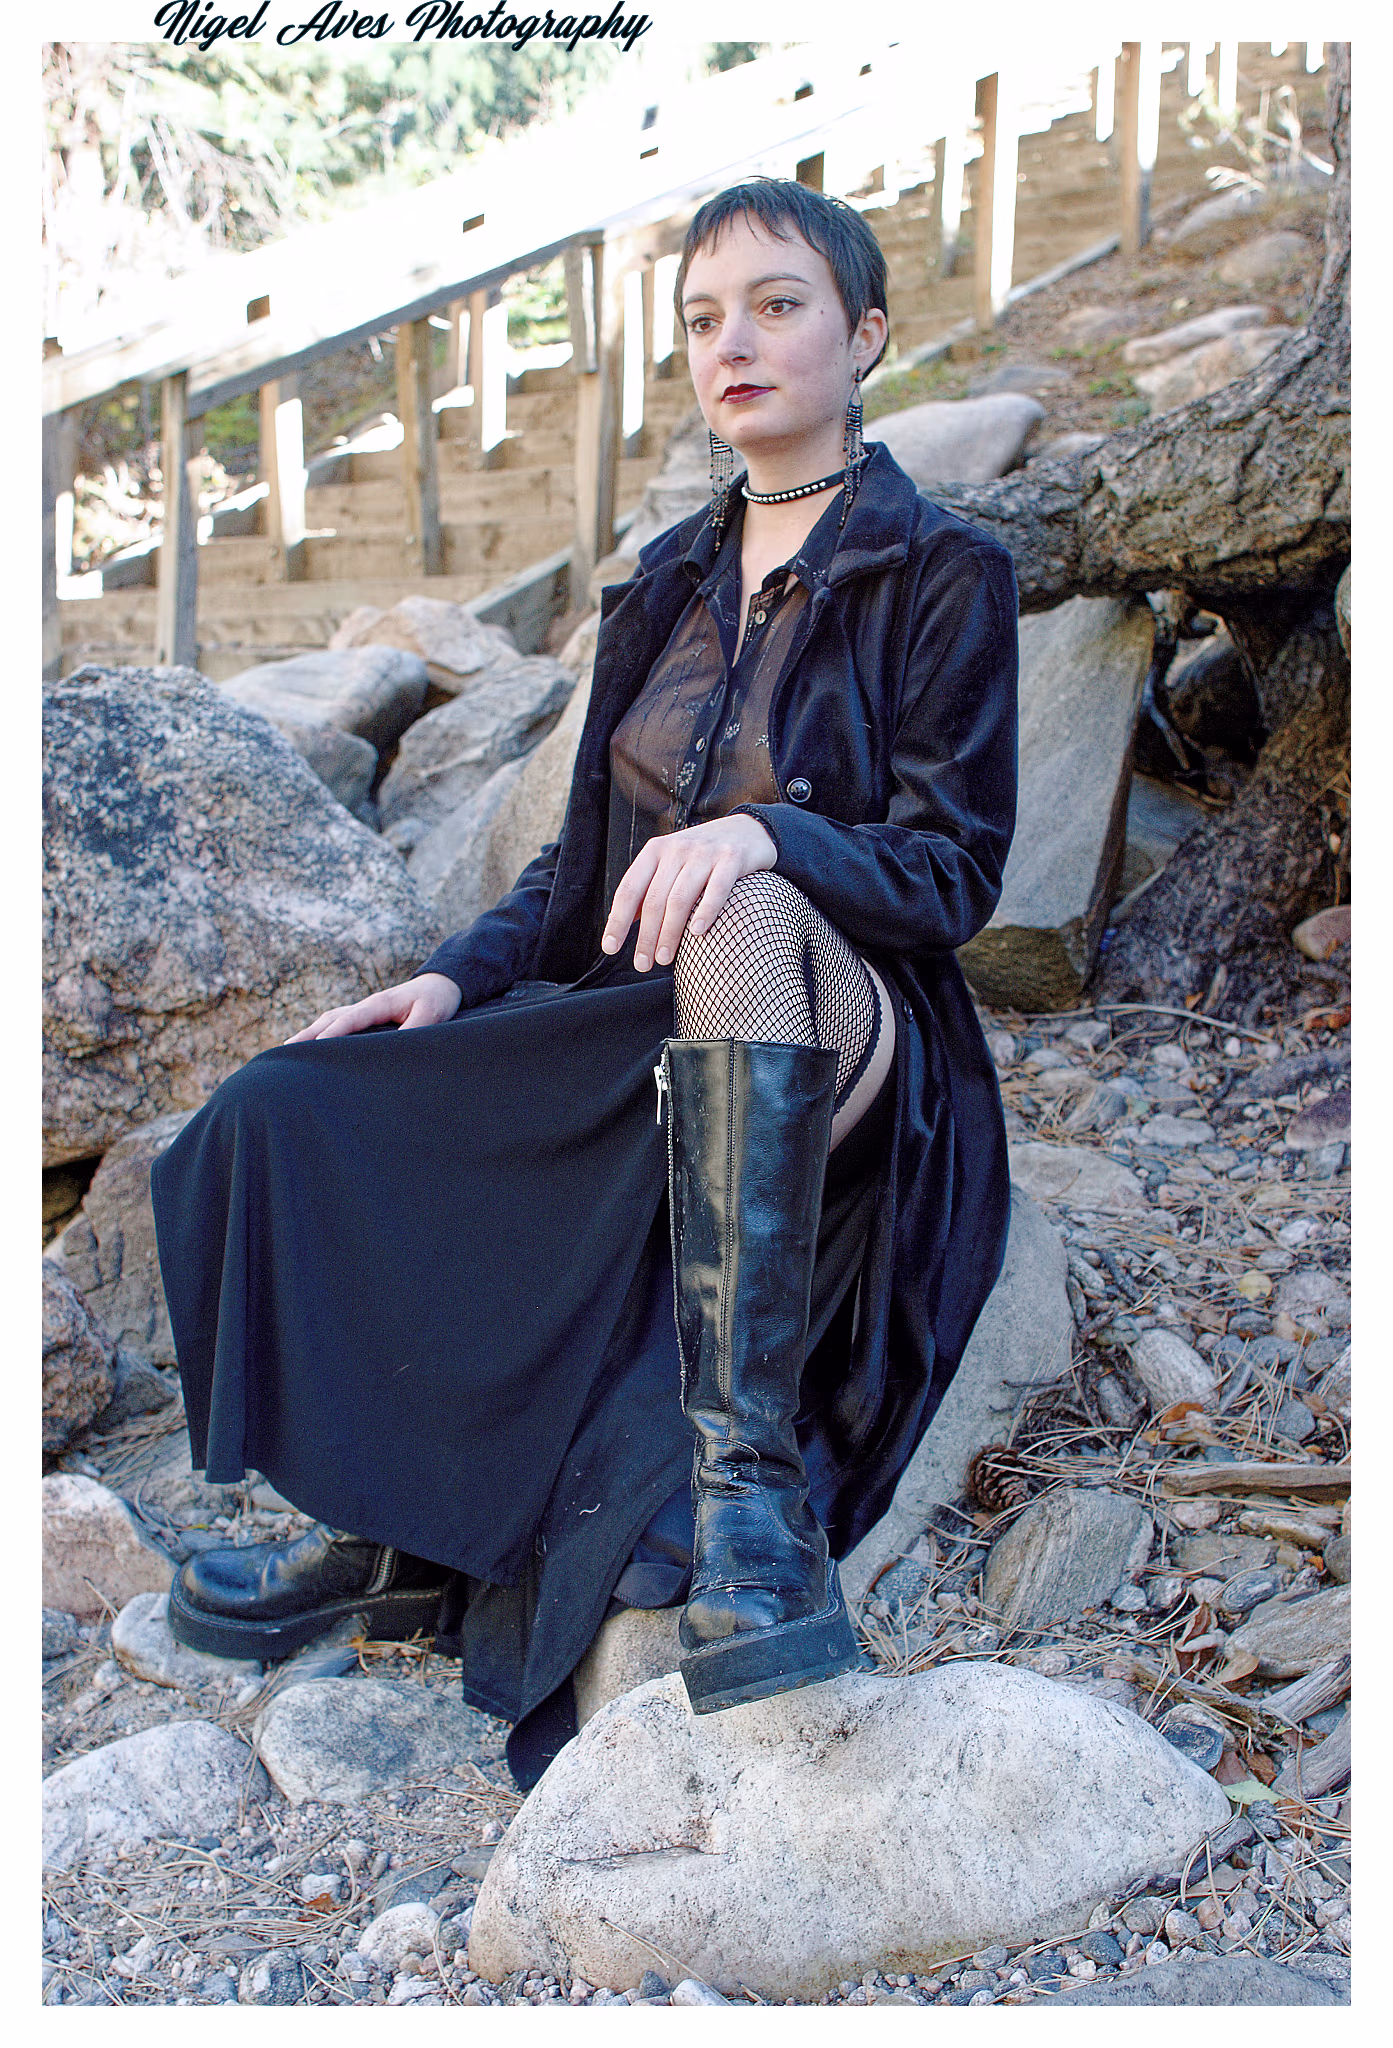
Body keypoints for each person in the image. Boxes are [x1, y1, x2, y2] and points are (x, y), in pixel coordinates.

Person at [151, 177, 1019, 1788]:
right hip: (628, 1014)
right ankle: (385, 1527)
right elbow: (573, 870)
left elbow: (953, 874)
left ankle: (753, 1514)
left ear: (866, 335)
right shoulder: (664, 584)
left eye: (777, 305)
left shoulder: (945, 570)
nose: (732, 342)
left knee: (742, 918)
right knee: (293, 1104)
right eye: (703, 318)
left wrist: (767, 837)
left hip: (840, 1030)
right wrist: (447, 983)